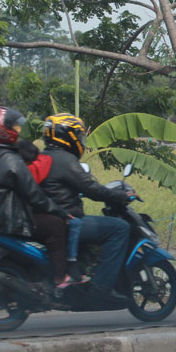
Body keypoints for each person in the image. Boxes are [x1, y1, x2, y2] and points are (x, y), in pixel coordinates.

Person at [37, 113, 133, 304]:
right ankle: (102, 287)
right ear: (68, 136)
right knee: (119, 228)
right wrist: (121, 196)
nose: (80, 140)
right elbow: (92, 189)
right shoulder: (65, 160)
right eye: (78, 135)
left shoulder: (42, 157)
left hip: (45, 220)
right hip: (68, 220)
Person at [0, 107, 71, 287]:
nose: (17, 132)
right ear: (2, 130)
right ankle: (60, 277)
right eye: (14, 128)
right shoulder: (11, 159)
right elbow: (34, 195)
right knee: (56, 225)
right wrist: (60, 212)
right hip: (10, 220)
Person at [17, 138, 87, 286]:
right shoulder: (30, 172)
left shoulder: (8, 167)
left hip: (7, 218)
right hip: (21, 218)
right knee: (62, 225)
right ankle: (64, 273)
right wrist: (61, 212)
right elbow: (38, 198)